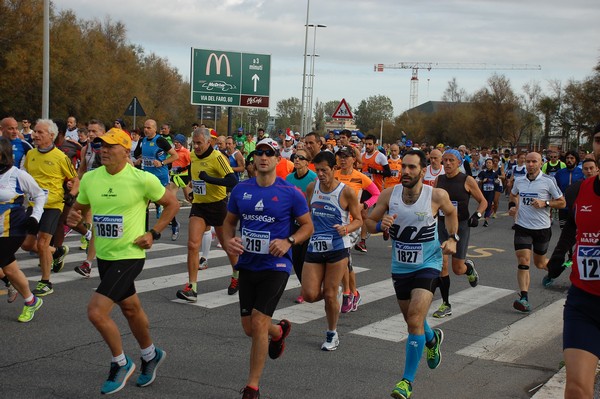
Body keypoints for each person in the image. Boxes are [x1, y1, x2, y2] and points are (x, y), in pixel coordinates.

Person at [67, 128, 179, 395]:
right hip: (105, 257)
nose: (103, 150)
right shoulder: (91, 178)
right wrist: (74, 217)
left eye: (110, 146)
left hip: (130, 255)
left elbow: (172, 204)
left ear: (126, 151)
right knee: (130, 309)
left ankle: (120, 362)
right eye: (100, 145)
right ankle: (151, 355)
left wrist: (154, 233)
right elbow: (80, 209)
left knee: (96, 311)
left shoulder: (142, 179)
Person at [221, 138, 313, 399]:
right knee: (250, 328)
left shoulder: (290, 193)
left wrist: (289, 241)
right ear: (254, 159)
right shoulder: (241, 191)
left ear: (276, 159)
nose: (263, 157)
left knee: (259, 322)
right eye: (258, 153)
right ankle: (279, 331)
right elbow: (229, 223)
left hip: (277, 264)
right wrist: (229, 241)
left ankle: (252, 386)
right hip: (248, 263)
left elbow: (307, 227)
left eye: (268, 153)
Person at [366, 149, 457, 399]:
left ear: (423, 170)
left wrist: (453, 238)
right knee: (412, 321)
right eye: (404, 167)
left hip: (428, 264)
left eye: (412, 168)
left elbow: (451, 213)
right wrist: (378, 225)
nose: (406, 172)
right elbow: (368, 221)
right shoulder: (389, 194)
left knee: (415, 318)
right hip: (400, 266)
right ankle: (432, 339)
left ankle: (406, 382)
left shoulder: (435, 195)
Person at [542, 124, 600, 399]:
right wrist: (556, 260)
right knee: (576, 390)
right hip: (584, 302)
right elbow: (571, 229)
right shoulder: (581, 189)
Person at [303, 151, 363, 350]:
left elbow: (359, 220)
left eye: (324, 170)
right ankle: (335, 291)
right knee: (310, 294)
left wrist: (346, 228)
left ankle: (332, 334)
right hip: (315, 245)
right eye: (317, 170)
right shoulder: (312, 188)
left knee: (328, 295)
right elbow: (306, 214)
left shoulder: (346, 192)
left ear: (334, 169)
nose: (320, 174)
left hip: (338, 247)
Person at [176, 127, 239, 302]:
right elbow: (190, 173)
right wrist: (189, 189)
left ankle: (236, 274)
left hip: (218, 205)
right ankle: (192, 287)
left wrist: (209, 179)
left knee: (227, 245)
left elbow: (233, 181)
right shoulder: (193, 155)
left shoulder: (217, 157)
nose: (195, 147)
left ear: (208, 142)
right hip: (199, 206)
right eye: (193, 143)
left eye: (199, 143)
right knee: (192, 244)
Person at [21, 119, 79, 296]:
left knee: (43, 243)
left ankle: (45, 282)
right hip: (33, 205)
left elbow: (75, 179)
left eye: (40, 132)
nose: (35, 135)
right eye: (35, 132)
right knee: (27, 245)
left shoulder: (61, 157)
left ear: (51, 136)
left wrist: (71, 195)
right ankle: (58, 251)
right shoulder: (30, 155)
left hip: (53, 205)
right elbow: (25, 177)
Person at [508, 151, 566, 312]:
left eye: (534, 161)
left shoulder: (548, 181)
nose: (530, 165)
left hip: (542, 229)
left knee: (540, 263)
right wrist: (512, 207)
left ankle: (553, 270)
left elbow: (562, 203)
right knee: (523, 260)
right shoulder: (519, 180)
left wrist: (545, 202)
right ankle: (524, 298)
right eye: (528, 161)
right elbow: (513, 195)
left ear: (541, 163)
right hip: (522, 227)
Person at [432, 149, 486, 318]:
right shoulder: (438, 180)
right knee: (442, 264)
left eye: (451, 160)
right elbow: (432, 202)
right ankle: (445, 304)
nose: (447, 163)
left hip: (460, 226)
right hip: (441, 225)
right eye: (445, 160)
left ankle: (468, 268)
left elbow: (483, 201)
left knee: (457, 268)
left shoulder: (467, 180)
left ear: (459, 162)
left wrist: (477, 215)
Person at [0, 136, 47, 322]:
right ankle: (31, 300)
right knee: (10, 269)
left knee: (4, 262)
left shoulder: (17, 174)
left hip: (14, 228)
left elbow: (39, 194)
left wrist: (35, 217)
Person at [334, 146, 380, 311]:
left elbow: (376, 193)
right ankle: (354, 292)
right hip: (336, 223)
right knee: (344, 260)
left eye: (346, 157)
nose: (343, 160)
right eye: (340, 157)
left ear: (354, 159)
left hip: (353, 224)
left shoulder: (360, 177)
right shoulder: (334, 175)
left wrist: (364, 205)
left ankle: (347, 293)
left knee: (344, 257)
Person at [286, 148, 317, 303]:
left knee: (306, 258)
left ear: (307, 162)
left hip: (308, 223)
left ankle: (305, 290)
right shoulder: (288, 178)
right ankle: (305, 285)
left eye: (300, 157)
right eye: (294, 157)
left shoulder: (314, 178)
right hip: (293, 223)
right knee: (296, 259)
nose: (296, 159)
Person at [168, 134, 192, 240]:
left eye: (177, 142)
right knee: (171, 200)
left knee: (189, 198)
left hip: (184, 176)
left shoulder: (186, 152)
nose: (175, 144)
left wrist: (182, 169)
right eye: (175, 142)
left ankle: (198, 216)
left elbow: (191, 164)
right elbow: (170, 162)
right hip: (174, 177)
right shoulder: (173, 151)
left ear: (181, 143)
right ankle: (174, 224)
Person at [476, 158, 499, 227]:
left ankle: (486, 220)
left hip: (491, 192)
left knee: (488, 205)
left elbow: (497, 181)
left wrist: (496, 182)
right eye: (487, 163)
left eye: (490, 163)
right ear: (485, 164)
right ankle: (476, 218)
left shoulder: (495, 173)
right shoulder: (483, 172)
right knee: (482, 205)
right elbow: (476, 180)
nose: (488, 164)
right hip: (483, 192)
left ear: (492, 164)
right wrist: (482, 181)